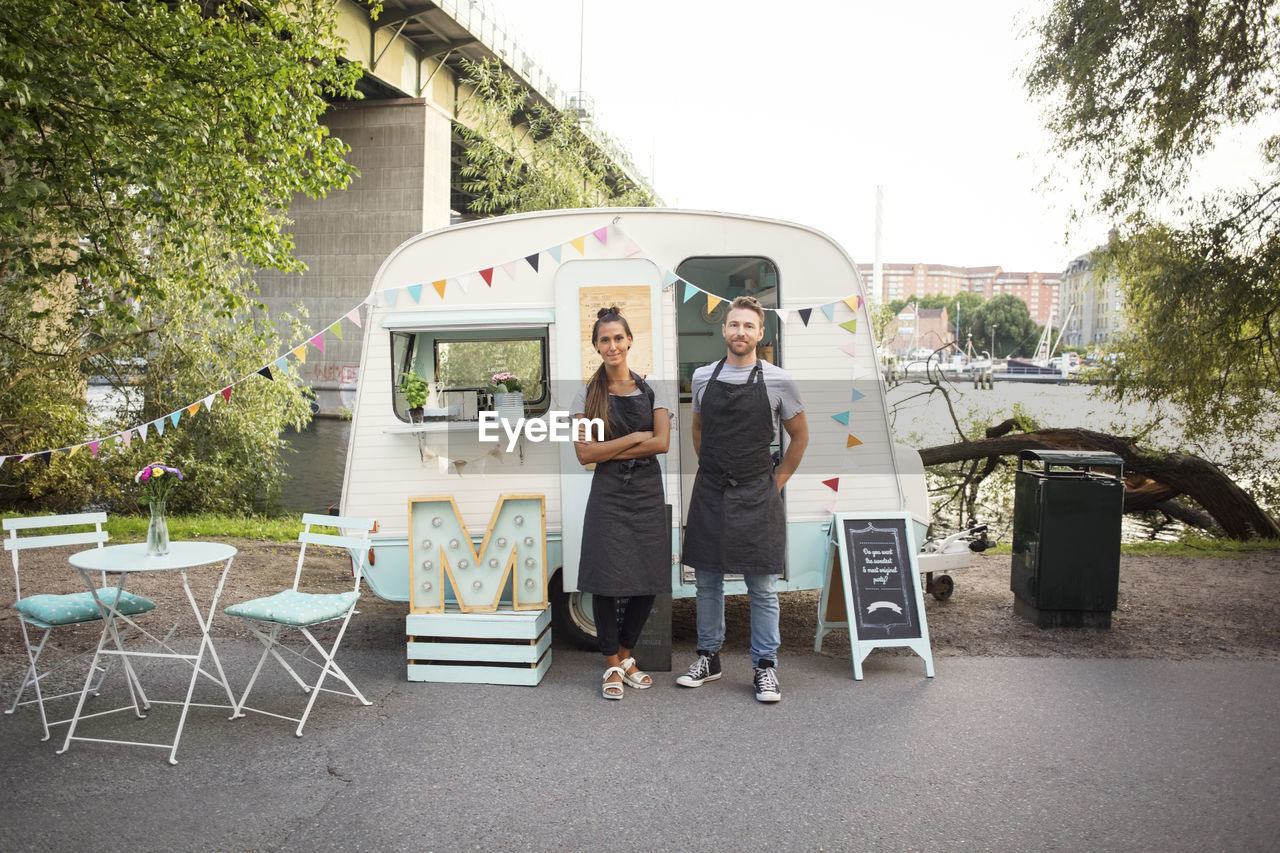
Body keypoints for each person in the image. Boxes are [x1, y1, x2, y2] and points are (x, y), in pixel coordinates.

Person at [677, 295, 808, 702]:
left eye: (749, 326)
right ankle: (708, 657)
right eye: (735, 325)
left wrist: (777, 482)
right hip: (712, 489)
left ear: (760, 332)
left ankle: (765, 667)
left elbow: (800, 437)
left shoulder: (779, 380)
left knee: (763, 586)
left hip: (757, 492)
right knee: (707, 582)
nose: (741, 333)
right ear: (724, 329)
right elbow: (697, 430)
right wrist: (715, 468)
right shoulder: (702, 377)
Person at [571, 306, 671, 700]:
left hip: (646, 493)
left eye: (618, 338)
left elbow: (662, 443)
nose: (612, 345)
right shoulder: (586, 393)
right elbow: (583, 454)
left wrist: (606, 448)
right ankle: (611, 664)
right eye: (604, 339)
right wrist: (633, 439)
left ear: (629, 341)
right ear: (596, 346)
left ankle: (627, 656)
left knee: (648, 579)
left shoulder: (653, 388)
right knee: (607, 582)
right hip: (609, 495)